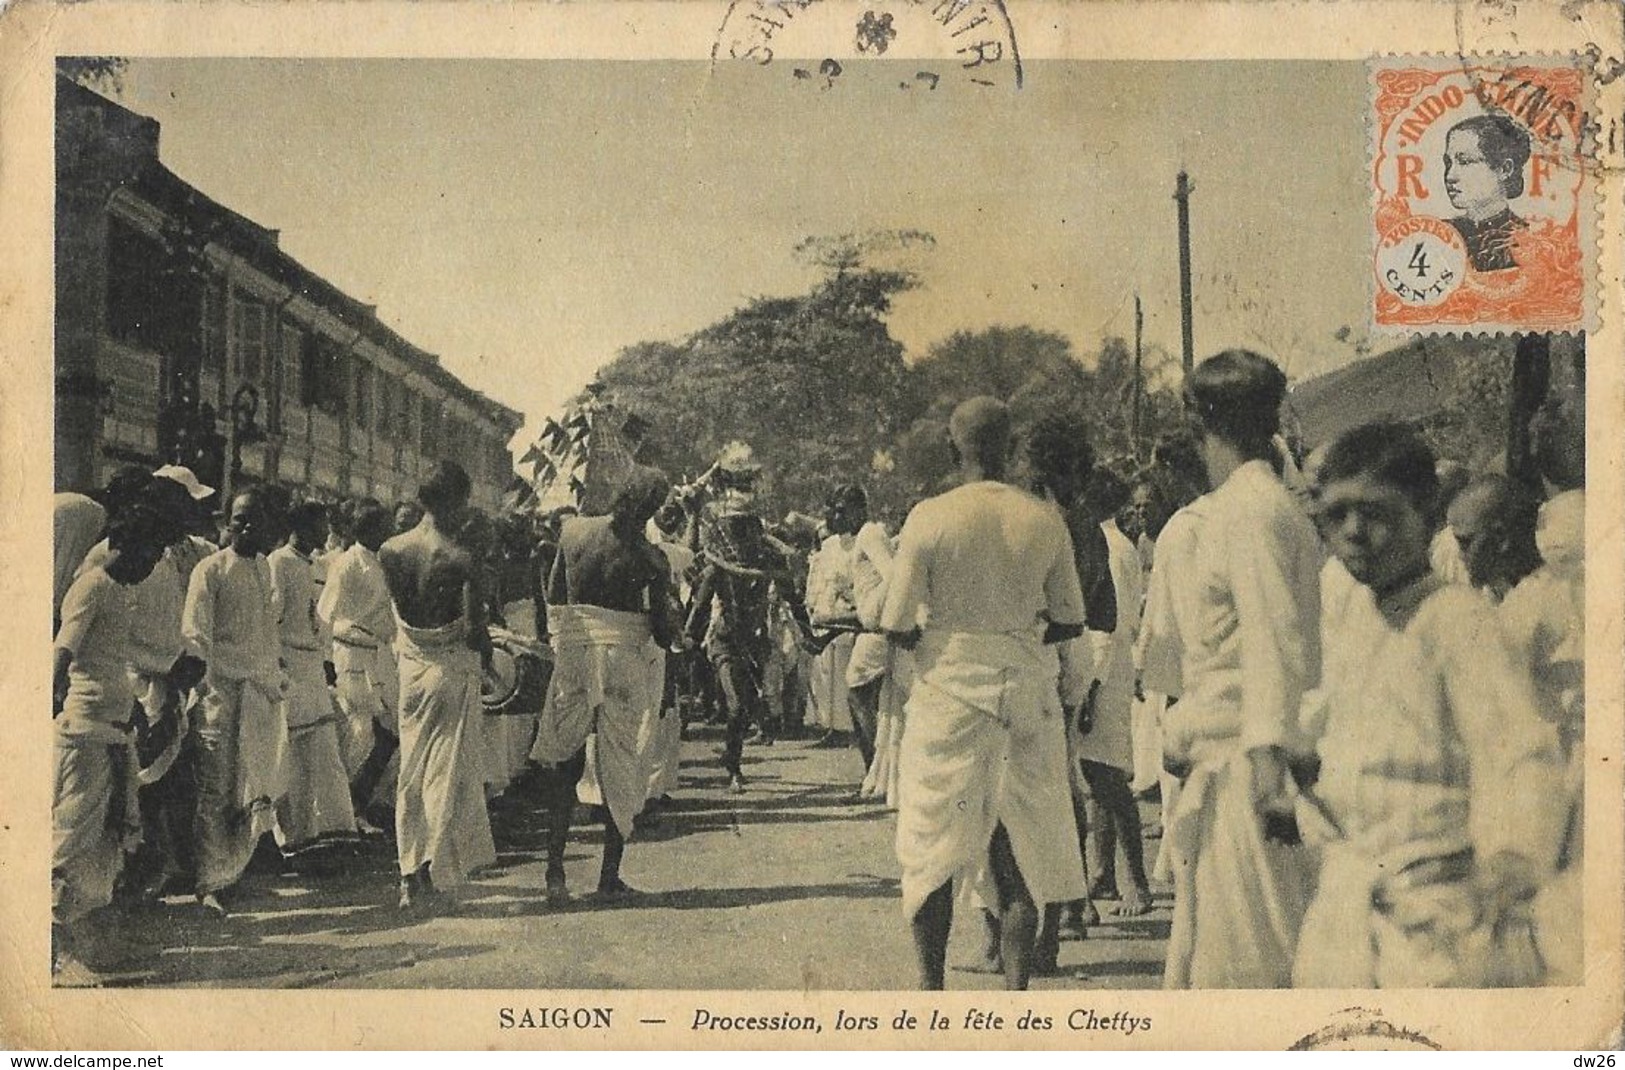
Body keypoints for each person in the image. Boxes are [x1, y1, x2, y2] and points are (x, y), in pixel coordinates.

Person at [1294, 422, 1566, 987]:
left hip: (1438, 914)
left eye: (1375, 511)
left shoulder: (1458, 621)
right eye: (1336, 514)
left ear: (1424, 508)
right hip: (1352, 908)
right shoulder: (1354, 617)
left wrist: (1513, 865)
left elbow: (1522, 752)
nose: (1354, 532)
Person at [881, 396, 1089, 991]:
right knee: (1017, 846)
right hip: (1024, 686)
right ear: (1012, 446)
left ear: (954, 448)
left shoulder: (930, 517)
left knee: (930, 851)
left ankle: (931, 993)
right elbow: (1072, 618)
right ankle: (1015, 996)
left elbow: (895, 623)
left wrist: (938, 635)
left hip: (948, 689)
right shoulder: (1044, 517)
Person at [1162, 350, 1322, 990]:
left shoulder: (1249, 510)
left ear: (1197, 420)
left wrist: (1266, 771)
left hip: (1250, 773)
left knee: (1249, 972)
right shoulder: (1260, 504)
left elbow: (1273, 638)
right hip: (1230, 758)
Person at [528, 468, 674, 904]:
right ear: (651, 510)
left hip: (574, 654)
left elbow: (555, 598)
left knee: (566, 764)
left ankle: (555, 873)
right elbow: (665, 634)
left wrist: (571, 638)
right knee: (621, 763)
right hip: (623, 663)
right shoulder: (651, 559)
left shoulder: (572, 532)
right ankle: (608, 877)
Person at [51, 509, 168, 980]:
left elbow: (111, 659)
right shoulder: (92, 586)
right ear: (122, 544)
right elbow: (64, 651)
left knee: (102, 845)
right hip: (85, 734)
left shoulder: (120, 592)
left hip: (113, 731)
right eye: (147, 554)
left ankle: (81, 947)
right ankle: (55, 951)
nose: (150, 565)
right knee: (71, 839)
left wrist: (132, 707)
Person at [377, 462, 498, 910]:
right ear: (457, 501)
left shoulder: (391, 550)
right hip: (451, 669)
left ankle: (408, 874)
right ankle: (434, 868)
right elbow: (472, 629)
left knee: (411, 769)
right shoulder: (461, 556)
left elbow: (400, 611)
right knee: (445, 775)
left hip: (410, 668)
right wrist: (486, 653)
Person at [181, 488, 288, 916]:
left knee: (251, 786)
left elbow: (265, 632)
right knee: (215, 789)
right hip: (218, 694)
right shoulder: (211, 570)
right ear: (227, 521)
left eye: (254, 520)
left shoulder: (263, 567)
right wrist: (207, 689)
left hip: (258, 693)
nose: (245, 527)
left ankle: (234, 875)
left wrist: (273, 676)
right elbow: (195, 634)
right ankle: (209, 881)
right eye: (238, 519)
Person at [686, 510, 813, 793]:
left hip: (756, 643)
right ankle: (733, 769)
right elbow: (700, 608)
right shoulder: (716, 568)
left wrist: (808, 634)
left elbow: (793, 600)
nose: (746, 543)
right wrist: (687, 641)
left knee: (747, 706)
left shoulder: (769, 563)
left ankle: (733, 758)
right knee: (735, 705)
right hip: (725, 641)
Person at [1074, 466, 1152, 917]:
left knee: (1106, 783)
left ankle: (1137, 884)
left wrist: (1090, 689)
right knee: (1100, 780)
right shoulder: (1109, 544)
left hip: (1102, 671)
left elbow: (1109, 624)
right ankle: (1102, 875)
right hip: (1104, 669)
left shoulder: (1107, 546)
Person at [270, 502, 358, 856]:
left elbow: (317, 620)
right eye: (319, 526)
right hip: (289, 668)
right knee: (291, 756)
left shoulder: (315, 565)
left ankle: (329, 830)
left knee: (321, 753)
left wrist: (324, 660)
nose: (325, 534)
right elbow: (273, 621)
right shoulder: (279, 562)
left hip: (312, 668)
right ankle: (290, 838)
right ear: (300, 527)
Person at [318, 499, 399, 826]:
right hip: (350, 654)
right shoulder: (348, 563)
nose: (389, 531)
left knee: (393, 729)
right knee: (359, 733)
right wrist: (326, 659)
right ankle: (346, 812)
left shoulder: (383, 562)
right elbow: (326, 614)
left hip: (379, 655)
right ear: (365, 529)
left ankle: (367, 800)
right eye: (382, 526)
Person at [1444, 113, 1532, 272]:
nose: (1450, 176)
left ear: (1504, 169)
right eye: (1448, 163)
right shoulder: (1440, 233)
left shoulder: (1526, 241)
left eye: (1465, 162)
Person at [1446, 473, 1541, 604]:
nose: (1461, 556)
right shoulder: (1492, 596)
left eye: (1465, 544)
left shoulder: (1561, 586)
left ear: (1500, 538)